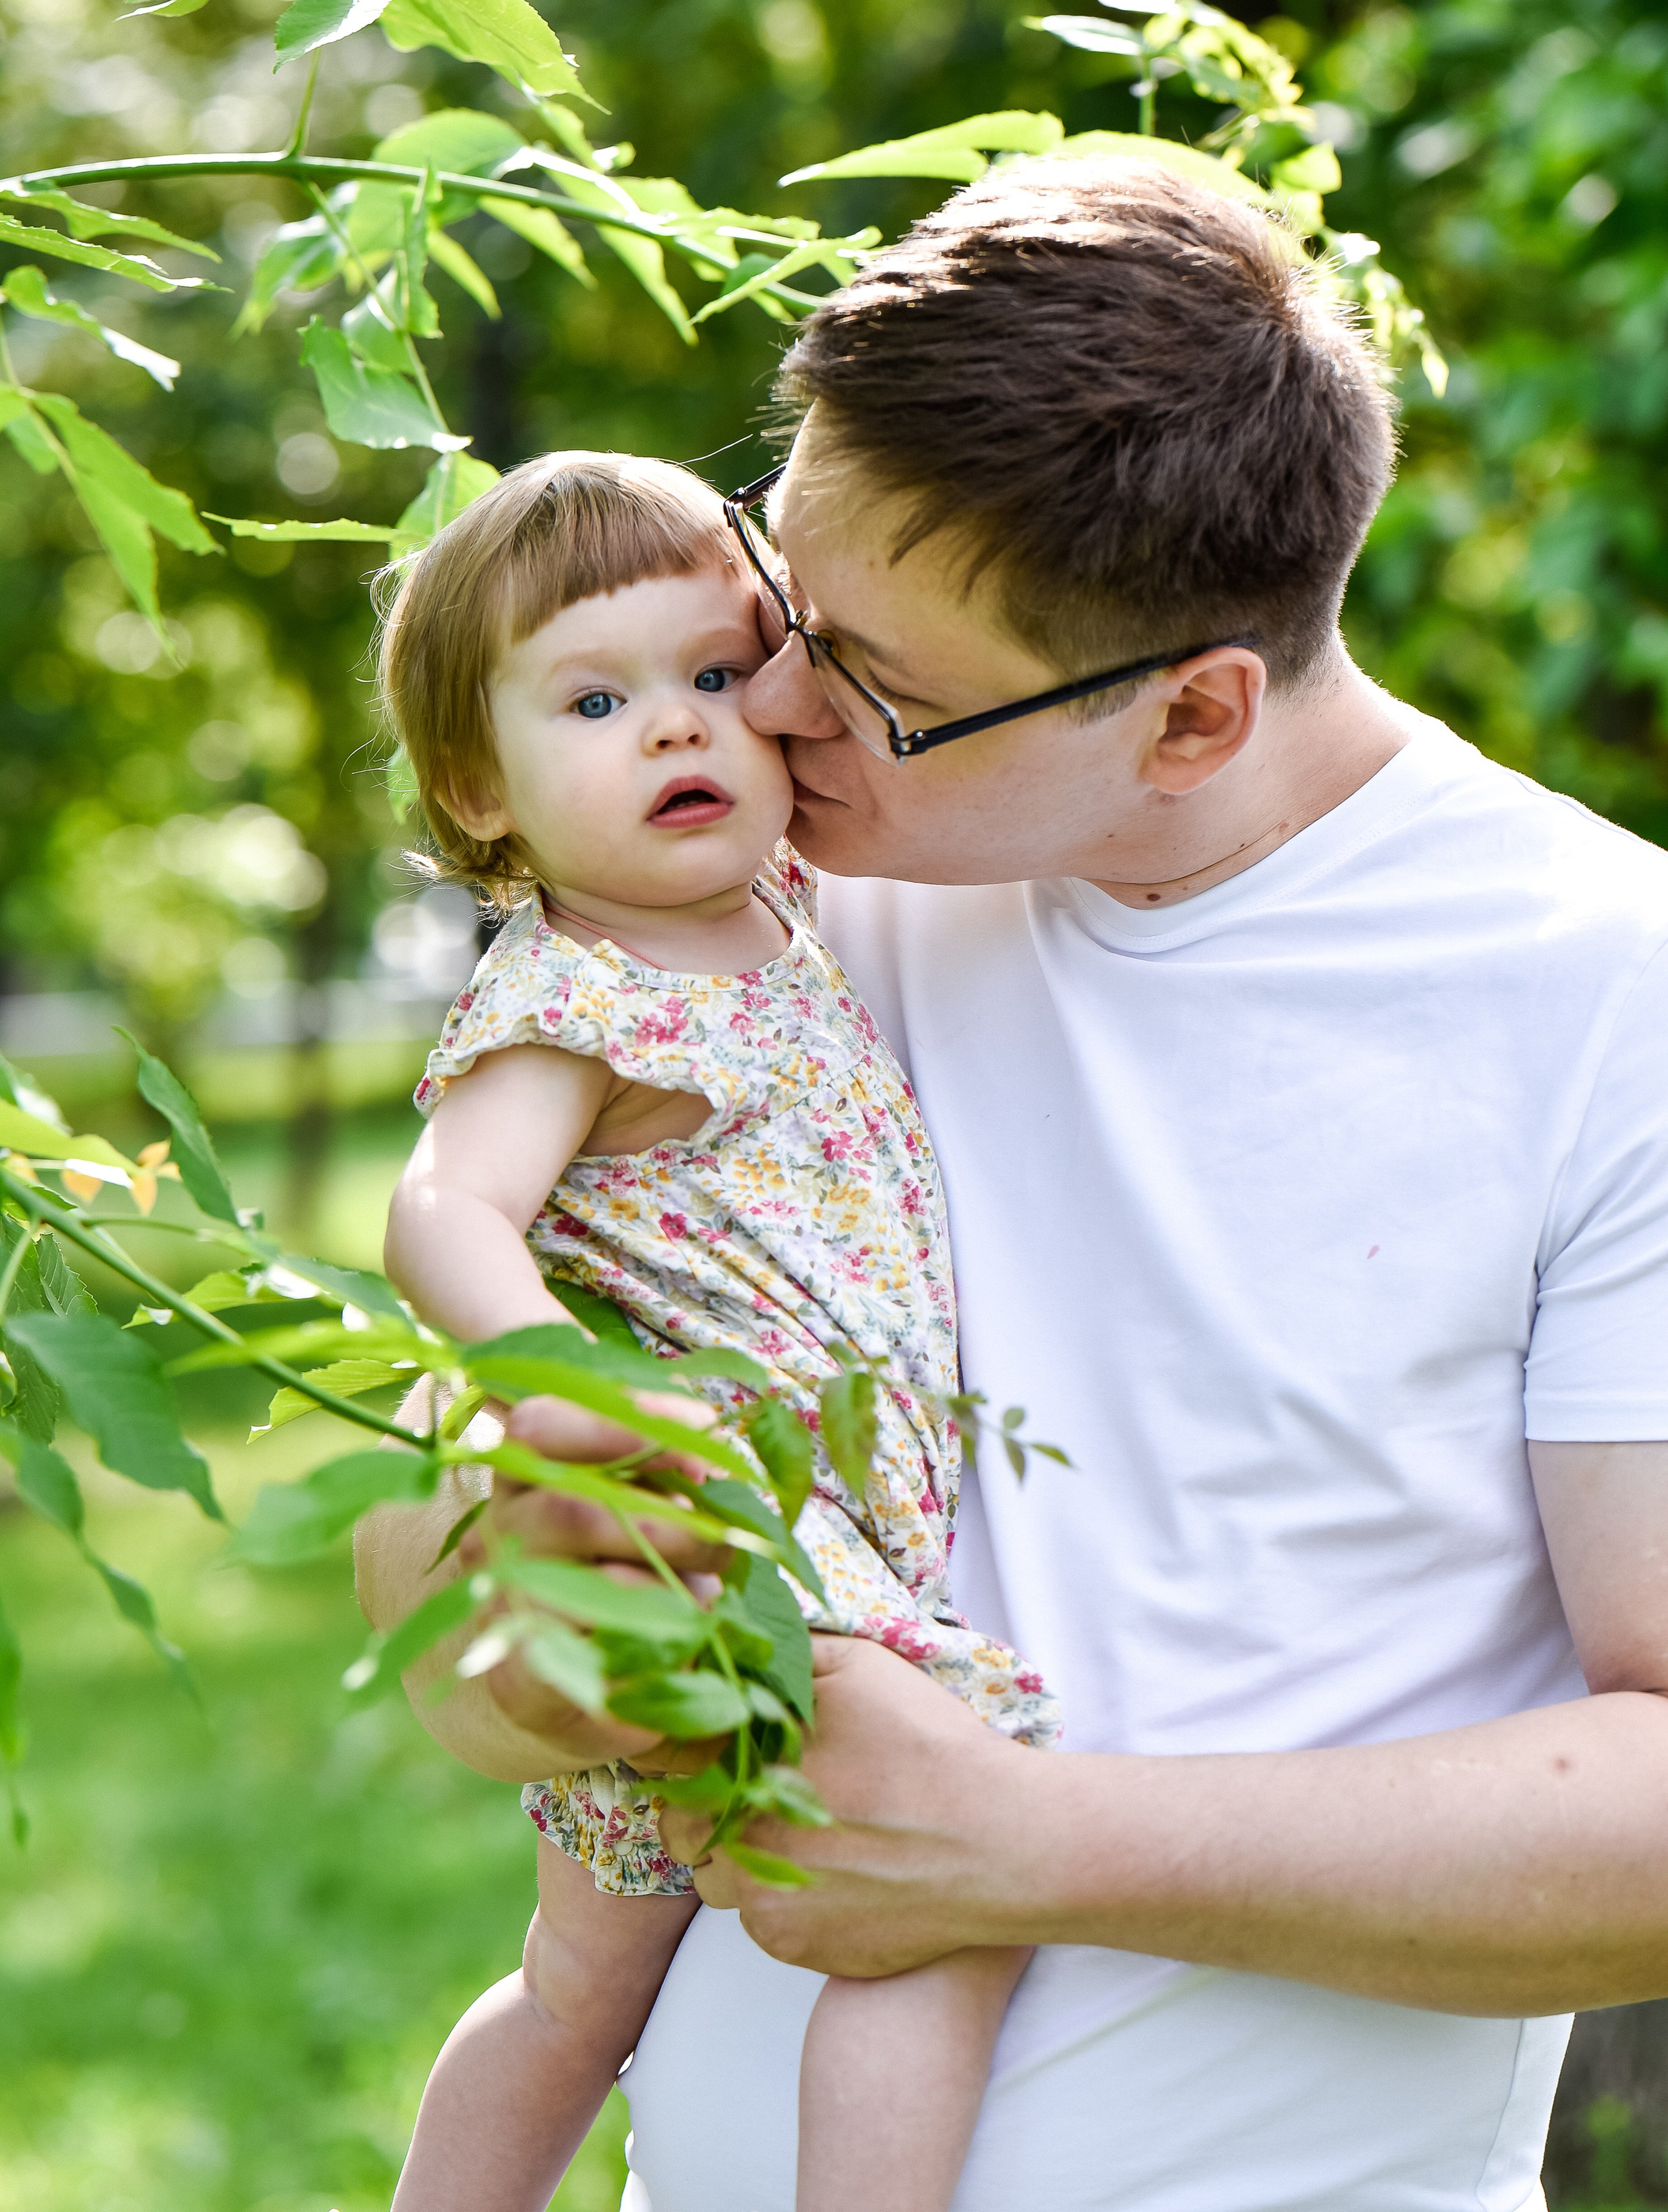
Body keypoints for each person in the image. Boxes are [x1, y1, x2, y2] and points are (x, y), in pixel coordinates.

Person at [358, 157, 1668, 2212]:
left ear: (1194, 713)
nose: (769, 716)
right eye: (777, 611)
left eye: (867, 680)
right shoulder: (775, 924)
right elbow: (442, 1589)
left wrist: (1027, 1846)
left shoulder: (1608, 995)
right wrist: (515, 1602)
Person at [371, 450, 1058, 2212]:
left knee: (580, 1986)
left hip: (789, 1529)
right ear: (481, 784)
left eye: (714, 674)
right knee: (949, 1894)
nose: (677, 731)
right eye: (595, 700)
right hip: (730, 1530)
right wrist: (559, 1389)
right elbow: (443, 1206)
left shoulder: (788, 918)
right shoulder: (569, 996)